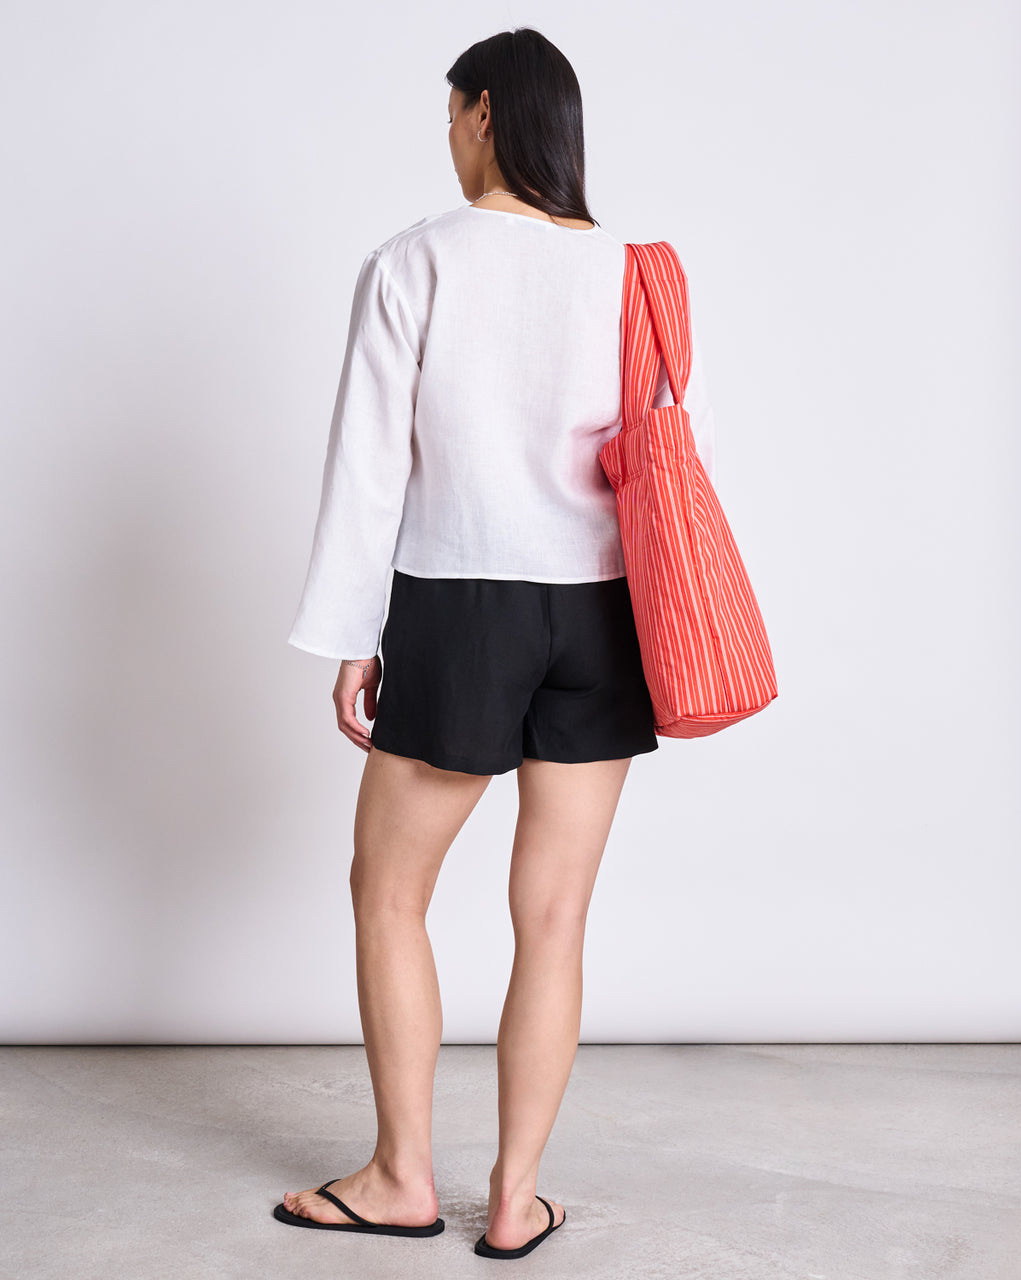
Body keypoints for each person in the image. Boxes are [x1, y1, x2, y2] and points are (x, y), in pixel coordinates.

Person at [273, 26, 716, 1261]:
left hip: (460, 601)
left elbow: (371, 464)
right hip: (603, 610)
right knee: (557, 915)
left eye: (450, 113)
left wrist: (355, 634)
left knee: (388, 888)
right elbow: (672, 452)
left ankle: (401, 1175)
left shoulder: (418, 258)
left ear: (478, 114)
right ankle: (517, 1197)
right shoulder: (639, 269)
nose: (449, 134)